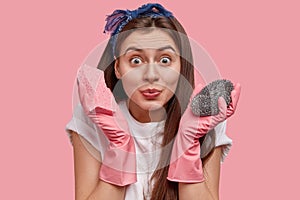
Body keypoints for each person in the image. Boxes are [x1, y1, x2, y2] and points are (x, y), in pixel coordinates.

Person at [65, 3, 241, 200]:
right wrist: (120, 145)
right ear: (118, 68)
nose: (151, 75)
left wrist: (188, 144)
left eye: (165, 60)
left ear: (181, 67)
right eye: (136, 61)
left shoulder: (205, 120)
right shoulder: (94, 116)